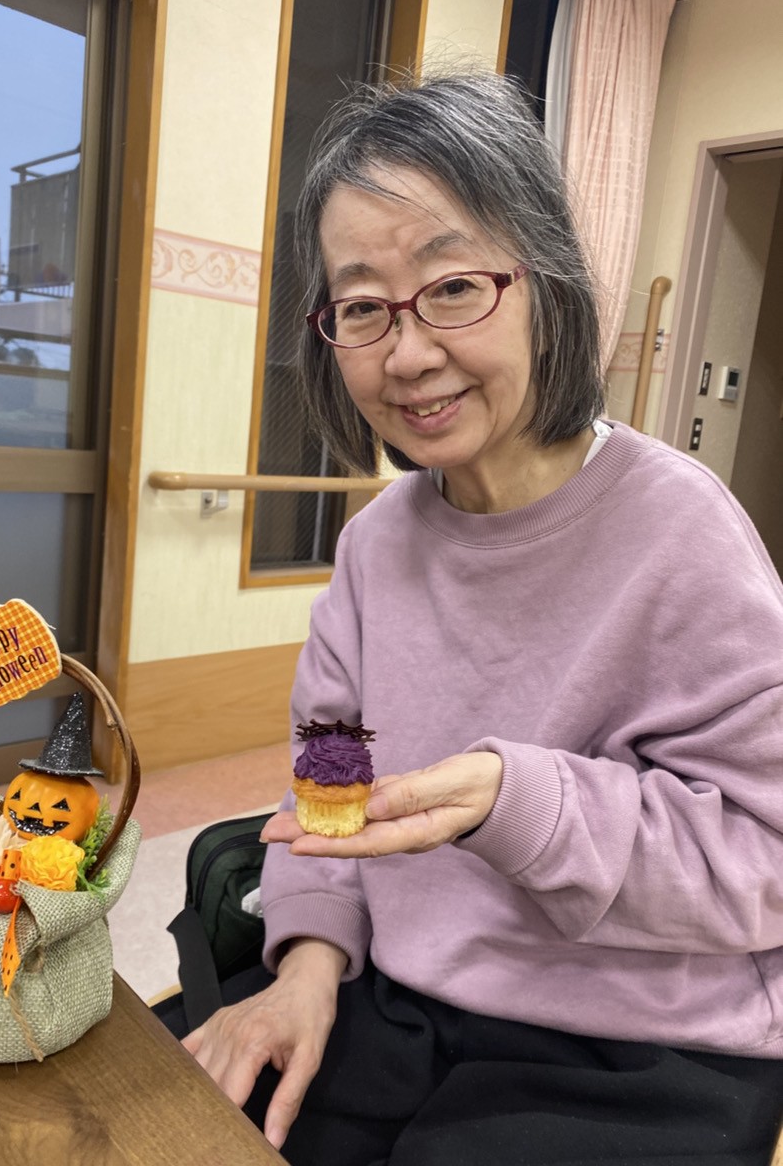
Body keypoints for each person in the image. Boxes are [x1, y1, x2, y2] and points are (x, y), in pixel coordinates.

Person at [169, 71, 783, 1165]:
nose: (408, 354)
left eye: (454, 287)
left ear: (546, 282)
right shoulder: (375, 547)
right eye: (364, 306)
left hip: (639, 1040)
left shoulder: (683, 534)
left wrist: (520, 801)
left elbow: (765, 860)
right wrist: (307, 963)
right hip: (398, 995)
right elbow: (329, 782)